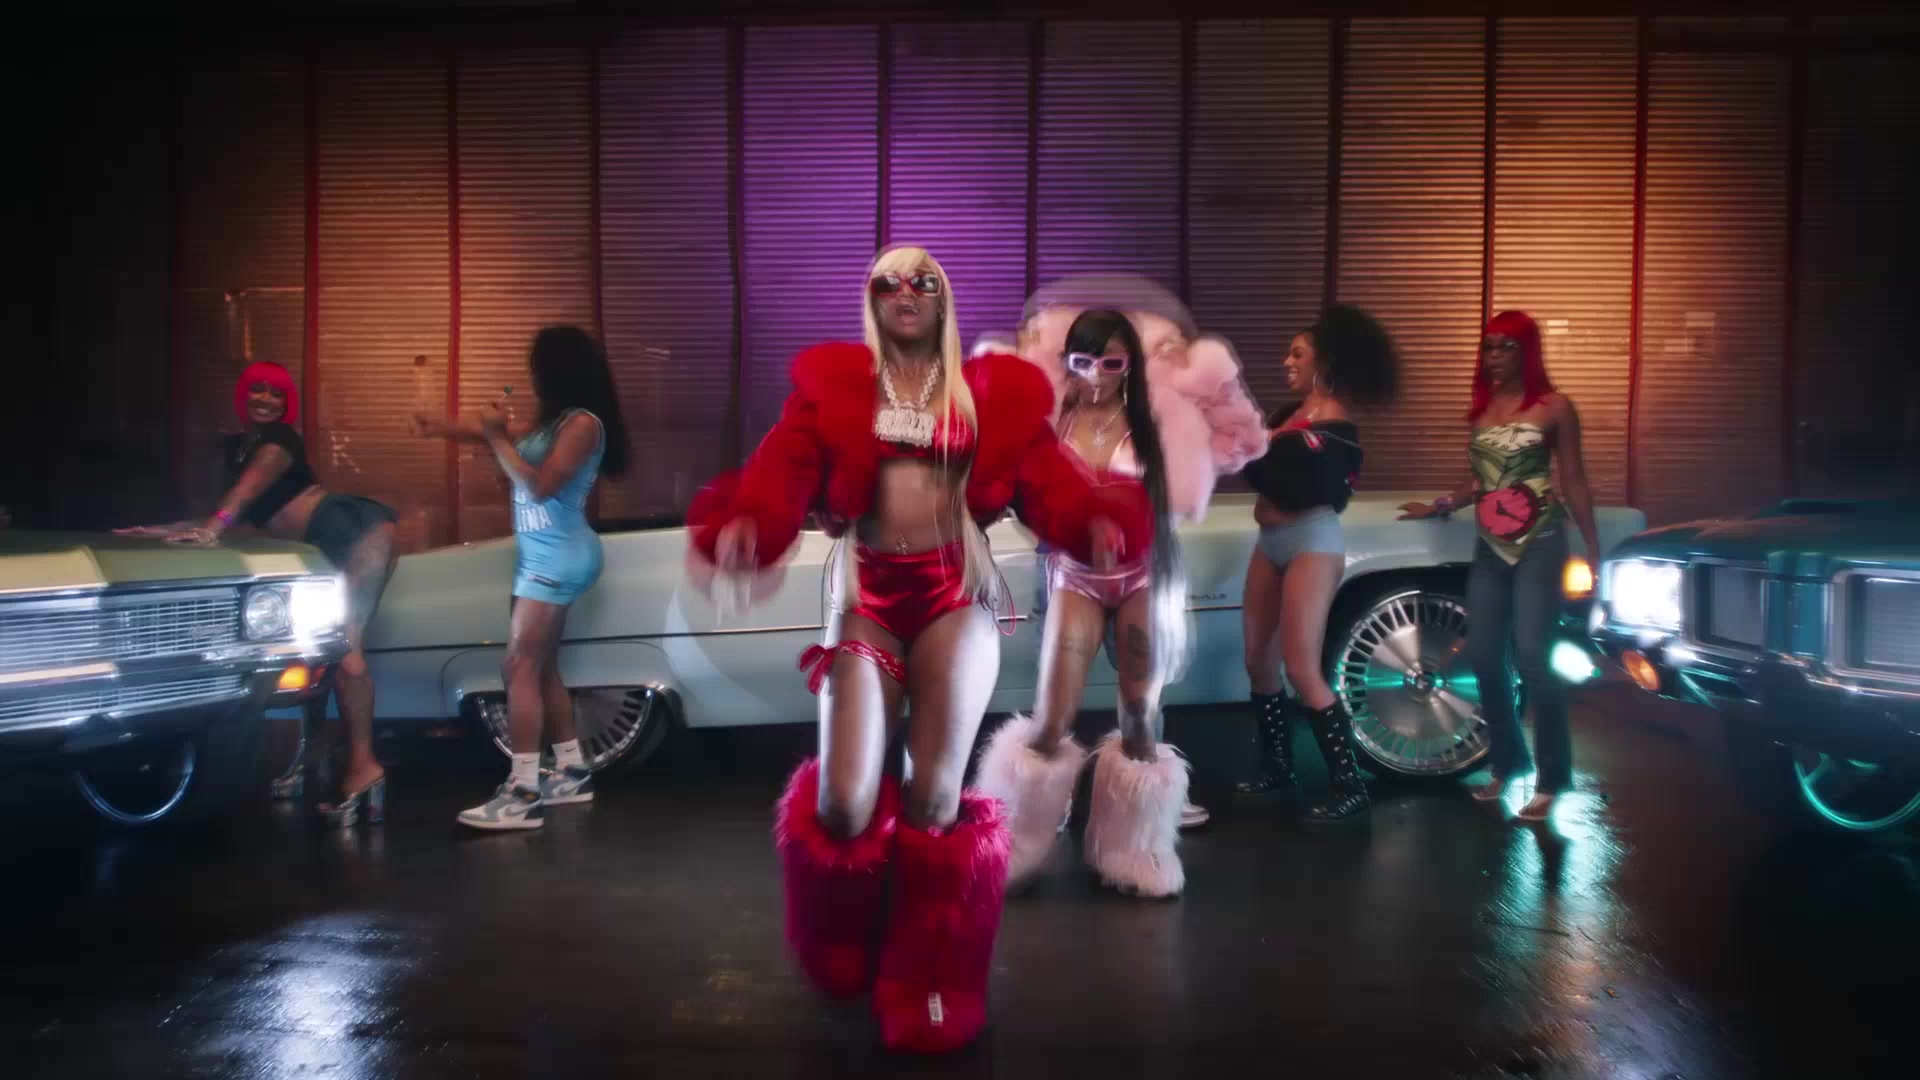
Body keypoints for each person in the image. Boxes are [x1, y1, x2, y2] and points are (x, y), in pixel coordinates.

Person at [685, 246, 1144, 1054]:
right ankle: (848, 941)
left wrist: (1091, 521)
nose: (906, 291)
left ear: (943, 299)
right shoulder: (835, 390)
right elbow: (780, 471)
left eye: (923, 280)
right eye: (888, 281)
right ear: (871, 299)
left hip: (952, 600)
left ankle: (932, 979)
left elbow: (1049, 479)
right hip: (865, 602)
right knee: (844, 804)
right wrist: (751, 522)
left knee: (934, 801)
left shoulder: (990, 394)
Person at [1001, 275, 1265, 832]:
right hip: (1070, 570)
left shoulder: (1156, 424)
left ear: (1130, 367)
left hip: (1143, 571)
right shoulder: (1050, 422)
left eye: (1112, 363)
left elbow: (1204, 469)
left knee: (1142, 710)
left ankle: (1148, 809)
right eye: (1083, 361)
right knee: (1052, 715)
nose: (1096, 375)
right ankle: (1038, 804)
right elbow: (1023, 497)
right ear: (1067, 361)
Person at [117, 360, 397, 826]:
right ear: (243, 394)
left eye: (277, 393)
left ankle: (364, 768)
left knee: (346, 651)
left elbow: (250, 489)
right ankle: (317, 757)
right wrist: (160, 530)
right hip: (324, 544)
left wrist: (214, 526)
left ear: (287, 404)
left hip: (352, 530)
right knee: (316, 650)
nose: (266, 399)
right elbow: (234, 514)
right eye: (258, 390)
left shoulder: (279, 441)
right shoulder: (242, 449)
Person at [413, 325, 631, 831]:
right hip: (541, 557)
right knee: (541, 667)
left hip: (558, 557)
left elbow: (538, 487)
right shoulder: (554, 423)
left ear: (557, 371)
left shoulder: (583, 424)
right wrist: (440, 426)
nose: (532, 379)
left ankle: (523, 793)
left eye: (537, 369)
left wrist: (495, 437)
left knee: (518, 667)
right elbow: (497, 437)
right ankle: (572, 773)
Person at [1399, 310, 1599, 823]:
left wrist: (1593, 547)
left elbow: (1574, 478)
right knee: (1485, 656)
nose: (1494, 356)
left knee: (1533, 655)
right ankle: (1509, 764)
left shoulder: (1555, 407)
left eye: (1506, 346)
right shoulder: (1483, 410)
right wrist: (1441, 504)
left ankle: (1553, 780)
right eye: (1488, 347)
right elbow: (1480, 479)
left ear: (1527, 351)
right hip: (1490, 545)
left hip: (1541, 540)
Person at [1237, 306, 1401, 822]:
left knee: (1301, 667)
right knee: (1256, 659)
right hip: (1270, 541)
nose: (1286, 362)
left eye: (1297, 354)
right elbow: (1258, 466)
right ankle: (1278, 765)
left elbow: (1295, 486)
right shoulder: (1288, 414)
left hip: (1311, 542)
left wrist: (1256, 456)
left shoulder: (1337, 425)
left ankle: (1348, 784)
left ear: (1323, 361)